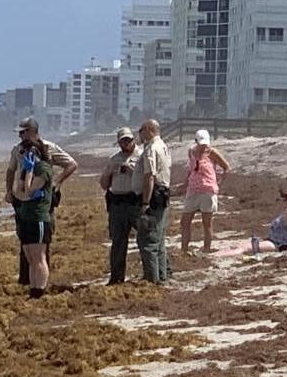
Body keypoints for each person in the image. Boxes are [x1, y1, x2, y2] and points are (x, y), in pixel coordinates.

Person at [4, 118, 78, 284]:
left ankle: (41, 282)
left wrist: (56, 182)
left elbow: (71, 164)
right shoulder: (18, 150)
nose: (19, 136)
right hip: (24, 202)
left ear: (31, 131)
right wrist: (10, 191)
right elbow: (11, 170)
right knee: (26, 242)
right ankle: (27, 279)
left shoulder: (48, 148)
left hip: (41, 202)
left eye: (22, 132)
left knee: (42, 243)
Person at [175, 129, 231, 254]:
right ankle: (184, 250)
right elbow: (191, 169)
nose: (203, 145)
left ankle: (206, 249)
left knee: (207, 223)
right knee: (185, 221)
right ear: (196, 141)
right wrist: (185, 184)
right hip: (193, 190)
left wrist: (219, 182)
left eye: (205, 143)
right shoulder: (191, 152)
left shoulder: (212, 153)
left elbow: (226, 168)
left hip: (207, 190)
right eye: (201, 143)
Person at [99, 127, 142, 285]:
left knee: (145, 237)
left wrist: (132, 171)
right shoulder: (114, 158)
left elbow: (148, 179)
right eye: (123, 140)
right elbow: (104, 184)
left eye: (129, 140)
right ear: (118, 142)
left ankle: (152, 273)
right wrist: (110, 173)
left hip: (134, 201)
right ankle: (116, 277)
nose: (126, 143)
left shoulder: (141, 156)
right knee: (118, 241)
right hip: (117, 202)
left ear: (133, 139)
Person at [212, 189, 287, 256]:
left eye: (280, 199)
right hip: (273, 240)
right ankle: (216, 254)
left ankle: (215, 256)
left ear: (286, 200)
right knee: (239, 245)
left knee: (244, 248)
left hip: (279, 244)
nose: (277, 201)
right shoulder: (284, 211)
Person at [11, 140, 53, 299]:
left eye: (29, 153)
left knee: (39, 256)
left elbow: (28, 190)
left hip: (39, 217)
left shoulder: (43, 168)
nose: (26, 156)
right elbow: (18, 192)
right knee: (29, 256)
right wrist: (25, 173)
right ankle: (33, 288)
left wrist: (29, 172)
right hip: (26, 216)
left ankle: (40, 290)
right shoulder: (26, 169)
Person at [134, 119, 172, 284]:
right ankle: (161, 276)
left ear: (149, 130)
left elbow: (149, 176)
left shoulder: (152, 148)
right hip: (162, 194)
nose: (140, 134)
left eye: (141, 130)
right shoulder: (163, 146)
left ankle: (152, 279)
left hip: (154, 196)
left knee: (148, 240)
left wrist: (145, 203)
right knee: (159, 239)